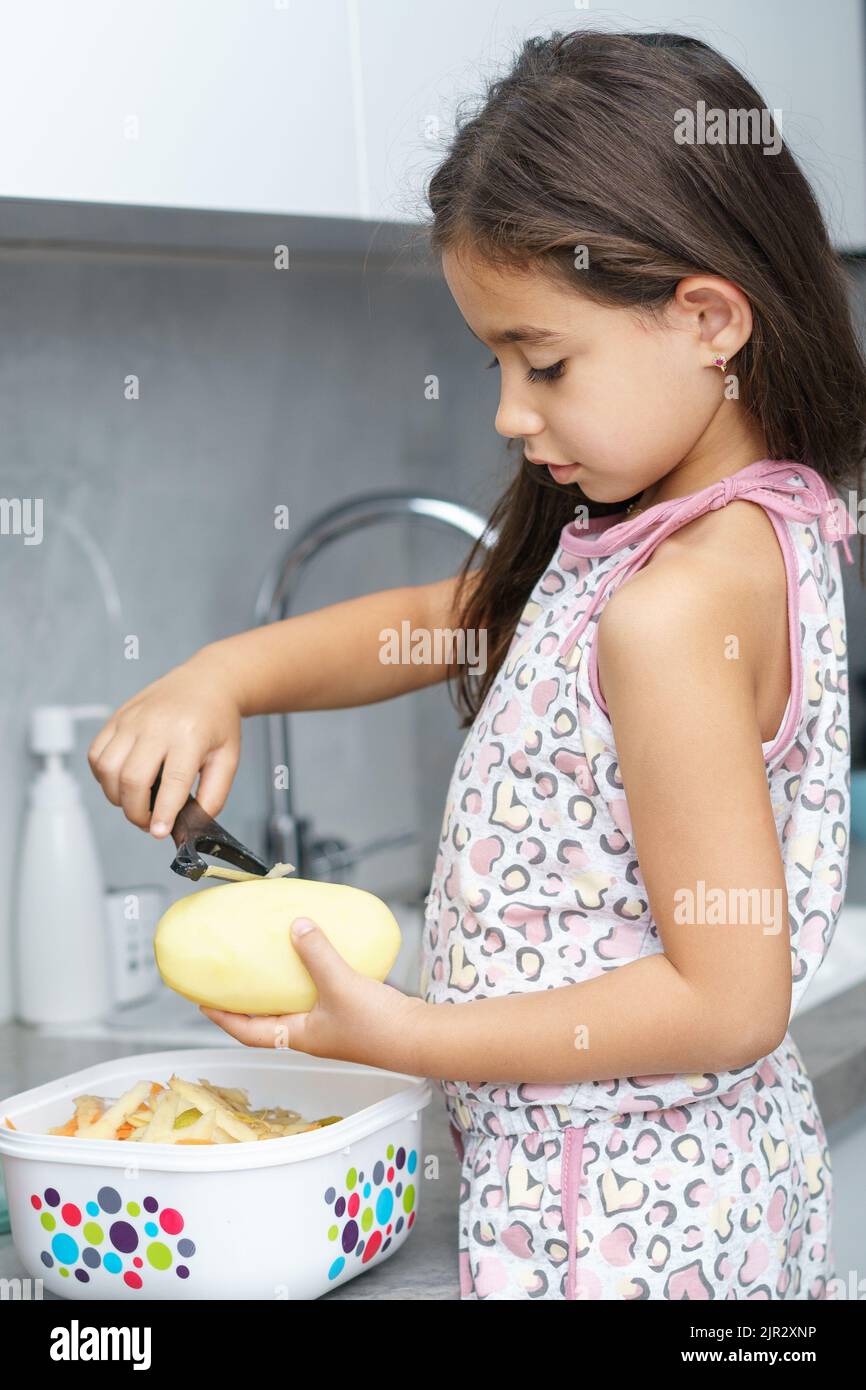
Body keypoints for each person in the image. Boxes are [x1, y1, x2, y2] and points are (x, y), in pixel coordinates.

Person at [88, 30, 865, 1299]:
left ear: (710, 318)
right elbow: (445, 614)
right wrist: (221, 674)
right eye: (496, 362)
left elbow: (730, 1000)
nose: (509, 410)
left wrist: (418, 1036)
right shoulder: (701, 530)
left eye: (543, 361)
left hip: (623, 1225)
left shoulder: (670, 608)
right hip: (681, 1198)